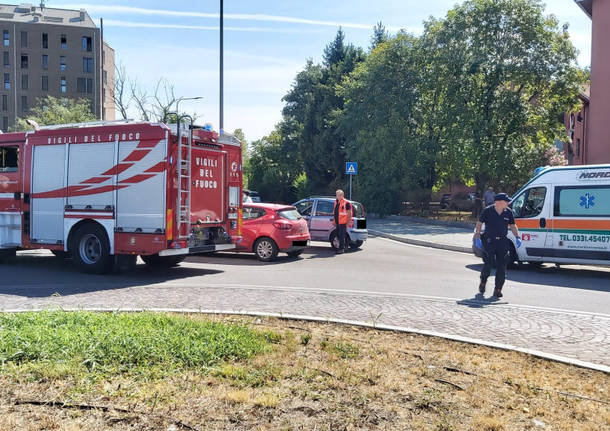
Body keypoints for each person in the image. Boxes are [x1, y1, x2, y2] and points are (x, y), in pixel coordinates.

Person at [473, 193, 521, 298]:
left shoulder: (508, 212)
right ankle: (483, 282)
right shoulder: (487, 211)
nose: (508, 203)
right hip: (489, 241)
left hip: (502, 241)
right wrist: (477, 236)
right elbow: (479, 223)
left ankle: (498, 289)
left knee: (502, 266)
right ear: (499, 202)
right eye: (506, 201)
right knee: (488, 264)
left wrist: (517, 237)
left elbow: (513, 225)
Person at [332, 189, 352, 254]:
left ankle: (341, 249)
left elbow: (349, 213)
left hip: (343, 222)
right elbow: (335, 212)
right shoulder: (336, 202)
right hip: (338, 222)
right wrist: (334, 220)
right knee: (339, 235)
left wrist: (348, 222)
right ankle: (345, 247)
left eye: (340, 195)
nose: (339, 196)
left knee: (341, 236)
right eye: (338, 195)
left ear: (343, 195)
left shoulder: (346, 203)